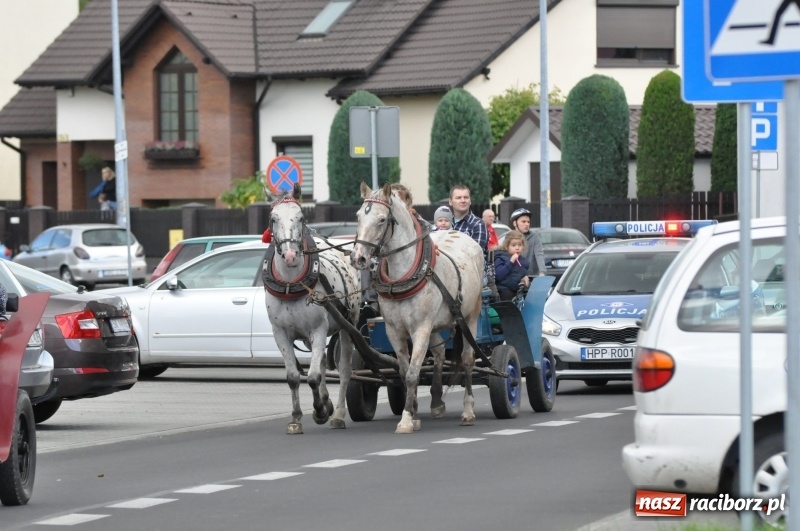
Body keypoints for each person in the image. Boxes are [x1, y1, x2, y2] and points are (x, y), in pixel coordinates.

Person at [448, 184, 487, 252]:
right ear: (450, 202)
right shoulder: (445, 223)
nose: (463, 200)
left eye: (466, 197)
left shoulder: (478, 225)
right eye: (458, 198)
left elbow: (475, 253)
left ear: (470, 201)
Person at [494, 230, 531, 301]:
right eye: (513, 245)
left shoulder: (523, 261)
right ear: (507, 246)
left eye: (520, 245)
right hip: (504, 290)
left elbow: (520, 272)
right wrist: (511, 261)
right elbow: (499, 275)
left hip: (518, 290)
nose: (517, 248)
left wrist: (525, 277)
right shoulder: (500, 257)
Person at [509, 208, 546, 277]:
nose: (527, 224)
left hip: (532, 275)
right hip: (514, 276)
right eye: (523, 221)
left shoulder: (534, 236)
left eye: (528, 222)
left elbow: (539, 254)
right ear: (515, 223)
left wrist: (542, 272)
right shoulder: (509, 237)